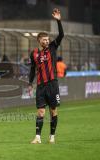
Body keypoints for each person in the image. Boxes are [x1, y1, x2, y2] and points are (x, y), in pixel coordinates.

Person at [28, 8, 64, 144]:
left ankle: (52, 136)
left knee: (53, 111)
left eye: (48, 39)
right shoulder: (34, 53)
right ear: (39, 40)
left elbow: (61, 35)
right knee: (41, 112)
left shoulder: (53, 48)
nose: (47, 41)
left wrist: (58, 21)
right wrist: (29, 83)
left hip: (52, 84)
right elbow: (32, 69)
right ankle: (37, 137)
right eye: (44, 40)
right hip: (41, 86)